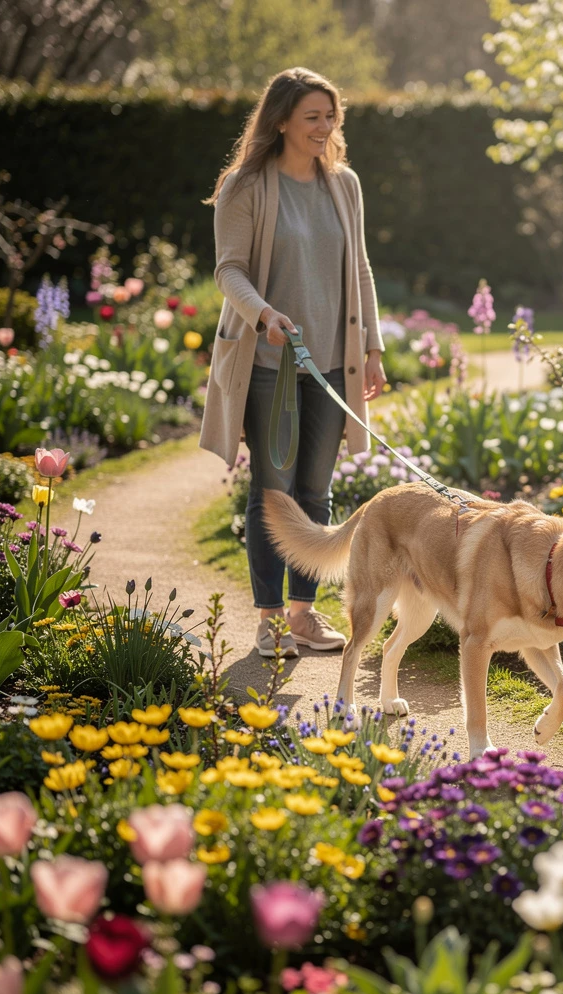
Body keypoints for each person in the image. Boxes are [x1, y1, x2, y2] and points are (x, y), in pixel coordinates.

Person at [201, 67, 386, 658]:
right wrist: (264, 315)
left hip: (332, 362)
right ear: (280, 120)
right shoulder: (244, 186)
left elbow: (360, 268)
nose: (325, 127)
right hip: (267, 364)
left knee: (316, 489)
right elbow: (229, 269)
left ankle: (305, 615)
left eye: (331, 116)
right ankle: (270, 619)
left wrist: (373, 348)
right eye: (313, 117)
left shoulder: (345, 184)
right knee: (273, 490)